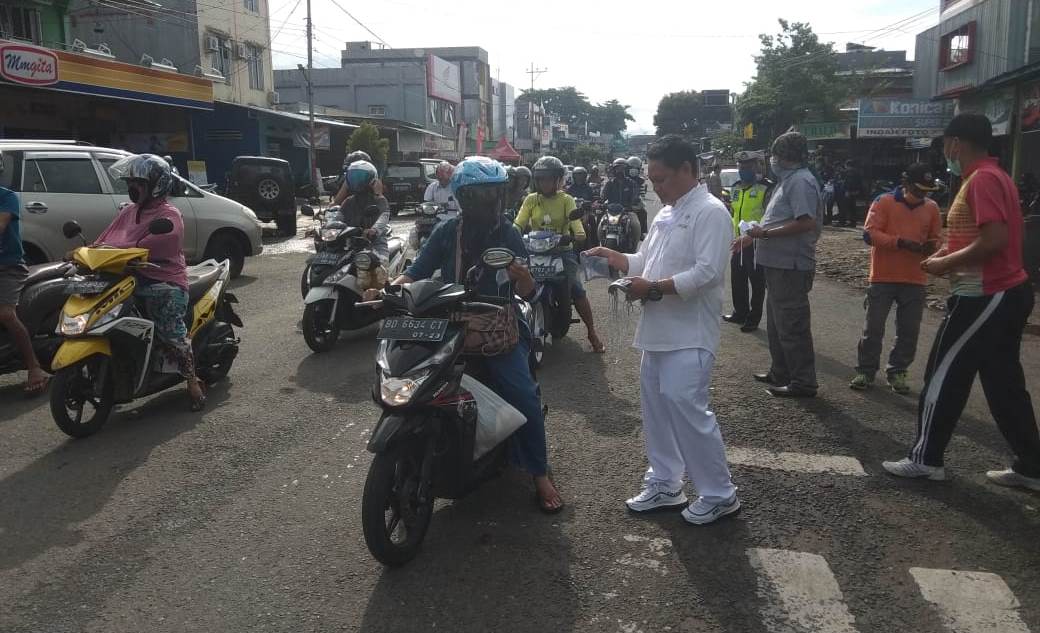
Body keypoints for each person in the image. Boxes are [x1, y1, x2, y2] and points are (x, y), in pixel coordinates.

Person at [363, 156, 565, 512]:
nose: (492, 203)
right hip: (448, 319)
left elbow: (529, 291)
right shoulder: (446, 231)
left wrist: (521, 277)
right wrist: (389, 291)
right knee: (410, 373)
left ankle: (539, 473)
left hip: (496, 324)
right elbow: (417, 270)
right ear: (465, 198)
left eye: (495, 194)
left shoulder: (509, 233)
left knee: (523, 395)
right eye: (482, 196)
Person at [585, 134, 739, 525]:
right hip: (658, 332)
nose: (656, 187)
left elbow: (706, 272)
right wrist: (618, 259)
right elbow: (646, 261)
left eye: (662, 178)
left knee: (689, 411)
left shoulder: (711, 211)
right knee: (657, 411)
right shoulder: (668, 213)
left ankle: (719, 494)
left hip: (690, 334)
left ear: (687, 170)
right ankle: (666, 483)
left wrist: (653, 288)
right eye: (652, 179)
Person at [883, 114, 1040, 492]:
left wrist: (943, 263)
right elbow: (984, 236)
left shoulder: (982, 179)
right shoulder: (991, 176)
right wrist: (949, 249)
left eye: (945, 145)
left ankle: (926, 459)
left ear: (956, 143)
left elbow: (994, 240)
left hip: (986, 294)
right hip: (1001, 292)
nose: (945, 153)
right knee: (1003, 384)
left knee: (942, 372)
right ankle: (1033, 466)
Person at [95, 154, 205, 410]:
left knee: (171, 330)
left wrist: (125, 249)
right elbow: (104, 238)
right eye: (131, 182)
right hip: (129, 278)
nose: (133, 188)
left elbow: (163, 242)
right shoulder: (128, 212)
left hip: (164, 280)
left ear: (157, 185)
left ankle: (192, 381)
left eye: (139, 183)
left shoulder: (170, 214)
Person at [850, 163, 942, 394]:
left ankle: (898, 371)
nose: (923, 194)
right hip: (883, 276)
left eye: (927, 190)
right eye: (919, 188)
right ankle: (866, 371)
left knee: (909, 331)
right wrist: (900, 242)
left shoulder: (932, 208)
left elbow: (936, 238)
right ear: (906, 183)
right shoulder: (884, 202)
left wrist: (933, 248)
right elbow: (870, 234)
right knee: (873, 329)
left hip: (915, 278)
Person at [743, 131, 822, 398]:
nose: (772, 160)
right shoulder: (787, 181)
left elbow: (805, 222)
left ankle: (803, 381)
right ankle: (781, 371)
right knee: (777, 325)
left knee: (792, 325)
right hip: (777, 265)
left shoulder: (800, 182)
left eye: (775, 154)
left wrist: (764, 234)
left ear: (785, 156)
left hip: (791, 266)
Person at [514, 156, 605, 353]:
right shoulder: (531, 200)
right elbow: (518, 223)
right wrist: (512, 233)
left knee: (577, 290)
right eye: (541, 179)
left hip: (562, 253)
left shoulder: (566, 199)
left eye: (549, 179)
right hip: (534, 252)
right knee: (513, 284)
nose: (545, 183)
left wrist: (576, 235)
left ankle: (592, 333)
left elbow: (577, 226)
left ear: (558, 179)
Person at [0, 150, 49, 395]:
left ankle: (33, 366)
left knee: (6, 314)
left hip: (8, 267)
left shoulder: (7, 197)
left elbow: (1, 225)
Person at [724, 150, 771, 333]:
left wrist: (752, 236)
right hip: (738, 242)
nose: (744, 169)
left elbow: (769, 217)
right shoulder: (735, 188)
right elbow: (734, 213)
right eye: (741, 166)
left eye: (748, 166)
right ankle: (740, 312)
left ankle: (753, 318)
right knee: (737, 278)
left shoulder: (766, 188)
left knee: (757, 282)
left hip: (757, 243)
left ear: (757, 167)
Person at [335, 160, 390, 261]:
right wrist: (329, 227)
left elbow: (383, 217)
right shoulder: (349, 201)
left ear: (372, 180)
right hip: (349, 242)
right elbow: (338, 216)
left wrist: (374, 230)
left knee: (380, 266)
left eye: (360, 177)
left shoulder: (379, 200)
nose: (357, 181)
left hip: (374, 243)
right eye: (354, 177)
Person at [837, 159, 863, 227]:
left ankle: (842, 222)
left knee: (844, 207)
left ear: (847, 165)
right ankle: (853, 222)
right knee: (852, 208)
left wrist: (847, 191)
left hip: (849, 192)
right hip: (855, 191)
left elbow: (849, 182)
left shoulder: (850, 172)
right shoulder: (857, 172)